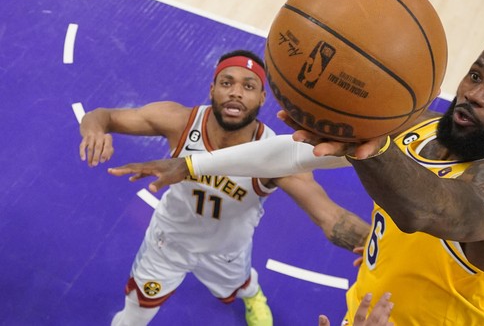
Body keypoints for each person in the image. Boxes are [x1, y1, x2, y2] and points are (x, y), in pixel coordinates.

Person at [109, 36, 484, 325]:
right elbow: (297, 152)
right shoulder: (424, 128)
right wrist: (191, 165)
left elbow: (434, 209)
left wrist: (369, 146)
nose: (475, 95)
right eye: (475, 75)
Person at [80, 49, 371, 326]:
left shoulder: (274, 154)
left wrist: (379, 243)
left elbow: (330, 216)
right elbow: (103, 115)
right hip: (168, 242)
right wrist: (94, 130)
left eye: (248, 86)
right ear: (212, 89)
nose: (235, 92)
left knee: (241, 285)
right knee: (134, 315)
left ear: (261, 98)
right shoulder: (180, 121)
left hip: (227, 251)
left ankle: (253, 295)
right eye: (226, 82)